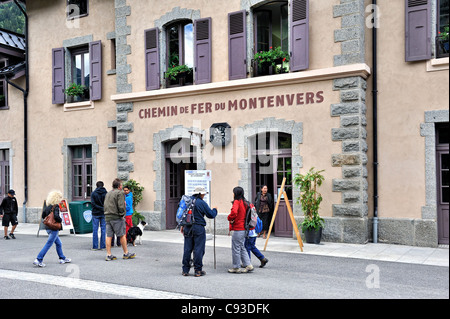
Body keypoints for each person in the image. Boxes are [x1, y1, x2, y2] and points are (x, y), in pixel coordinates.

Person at [181, 186, 217, 277]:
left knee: (187, 249)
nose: (204, 195)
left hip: (187, 227)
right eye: (204, 193)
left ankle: (185, 270)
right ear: (200, 193)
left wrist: (182, 226)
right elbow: (211, 215)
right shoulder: (201, 203)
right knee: (198, 249)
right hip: (198, 228)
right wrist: (215, 210)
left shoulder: (187, 201)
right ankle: (198, 270)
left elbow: (182, 214)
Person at [33, 190, 71, 267]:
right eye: (60, 197)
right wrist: (60, 220)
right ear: (56, 198)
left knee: (59, 243)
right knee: (49, 244)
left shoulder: (48, 206)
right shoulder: (56, 206)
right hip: (54, 228)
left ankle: (62, 258)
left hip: (48, 227)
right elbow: (57, 217)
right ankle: (38, 259)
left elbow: (43, 215)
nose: (61, 199)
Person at [104, 178, 135, 261]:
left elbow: (105, 204)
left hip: (108, 216)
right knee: (122, 235)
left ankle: (108, 254)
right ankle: (126, 253)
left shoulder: (108, 193)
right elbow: (121, 206)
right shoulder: (120, 193)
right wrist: (122, 214)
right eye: (121, 184)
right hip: (116, 217)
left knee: (109, 236)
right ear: (119, 186)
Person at [227, 186, 254, 274]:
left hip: (238, 227)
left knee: (236, 248)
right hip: (245, 228)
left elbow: (234, 212)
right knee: (242, 247)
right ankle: (248, 265)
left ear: (236, 193)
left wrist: (229, 217)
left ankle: (236, 267)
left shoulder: (237, 202)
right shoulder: (245, 202)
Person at [90, 181, 107, 250]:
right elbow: (108, 203)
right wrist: (103, 208)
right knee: (103, 229)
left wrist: (99, 208)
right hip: (103, 213)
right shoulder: (106, 193)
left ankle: (95, 246)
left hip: (95, 213)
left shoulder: (93, 193)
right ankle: (103, 246)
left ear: (96, 186)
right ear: (103, 185)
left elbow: (93, 204)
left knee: (95, 230)